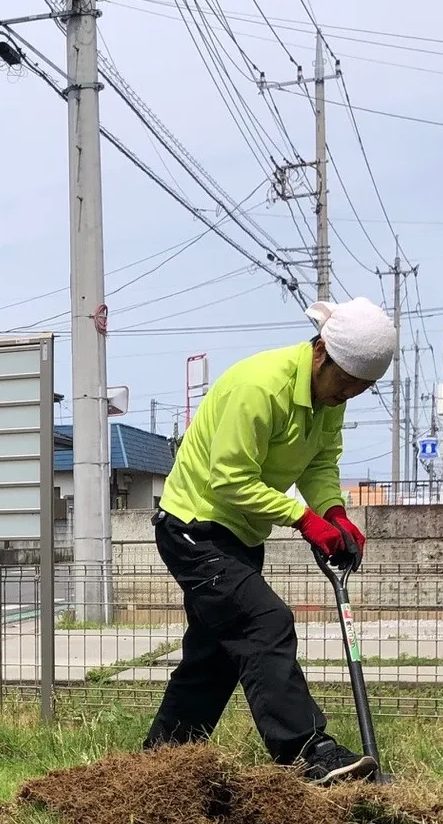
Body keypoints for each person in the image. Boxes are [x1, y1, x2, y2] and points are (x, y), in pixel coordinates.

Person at [144, 296, 396, 784]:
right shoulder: (260, 386)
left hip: (240, 534)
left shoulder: (329, 400)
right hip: (194, 526)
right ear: (320, 352)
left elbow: (320, 463)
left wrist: (334, 512)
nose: (345, 395)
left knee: (213, 659)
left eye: (359, 390)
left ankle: (158, 769)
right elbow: (229, 479)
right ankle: (306, 751)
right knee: (266, 622)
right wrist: (304, 520)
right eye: (343, 383)